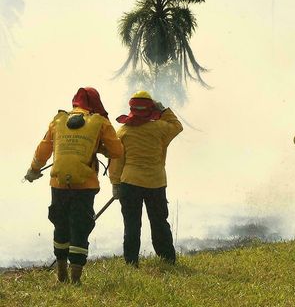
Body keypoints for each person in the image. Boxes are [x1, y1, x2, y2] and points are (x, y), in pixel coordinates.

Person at [24, 87, 123, 284]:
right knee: (80, 226)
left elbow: (44, 148)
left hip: (58, 183)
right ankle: (75, 279)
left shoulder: (58, 120)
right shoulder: (100, 122)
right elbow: (117, 151)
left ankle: (61, 274)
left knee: (60, 225)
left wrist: (33, 170)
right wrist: (100, 147)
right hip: (85, 186)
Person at [109, 91, 183, 266]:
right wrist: (163, 109)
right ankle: (167, 258)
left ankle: (131, 262)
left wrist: (115, 184)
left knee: (132, 224)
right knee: (159, 223)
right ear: (151, 109)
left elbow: (117, 161)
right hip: (156, 183)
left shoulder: (123, 131)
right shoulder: (161, 127)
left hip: (129, 183)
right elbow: (177, 126)